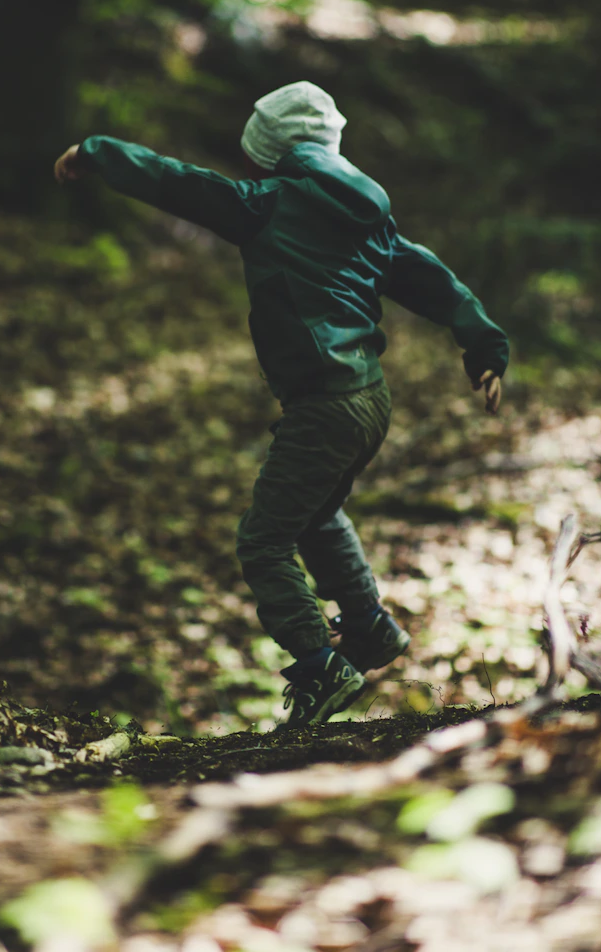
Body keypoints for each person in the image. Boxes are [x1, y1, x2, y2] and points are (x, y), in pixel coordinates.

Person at [54, 81, 509, 728]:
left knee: (264, 540)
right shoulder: (369, 221)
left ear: (267, 155)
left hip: (325, 404)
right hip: (369, 399)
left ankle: (321, 667)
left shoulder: (264, 203)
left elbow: (178, 183)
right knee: (317, 516)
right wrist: (485, 345)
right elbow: (435, 280)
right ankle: (369, 627)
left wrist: (97, 153)